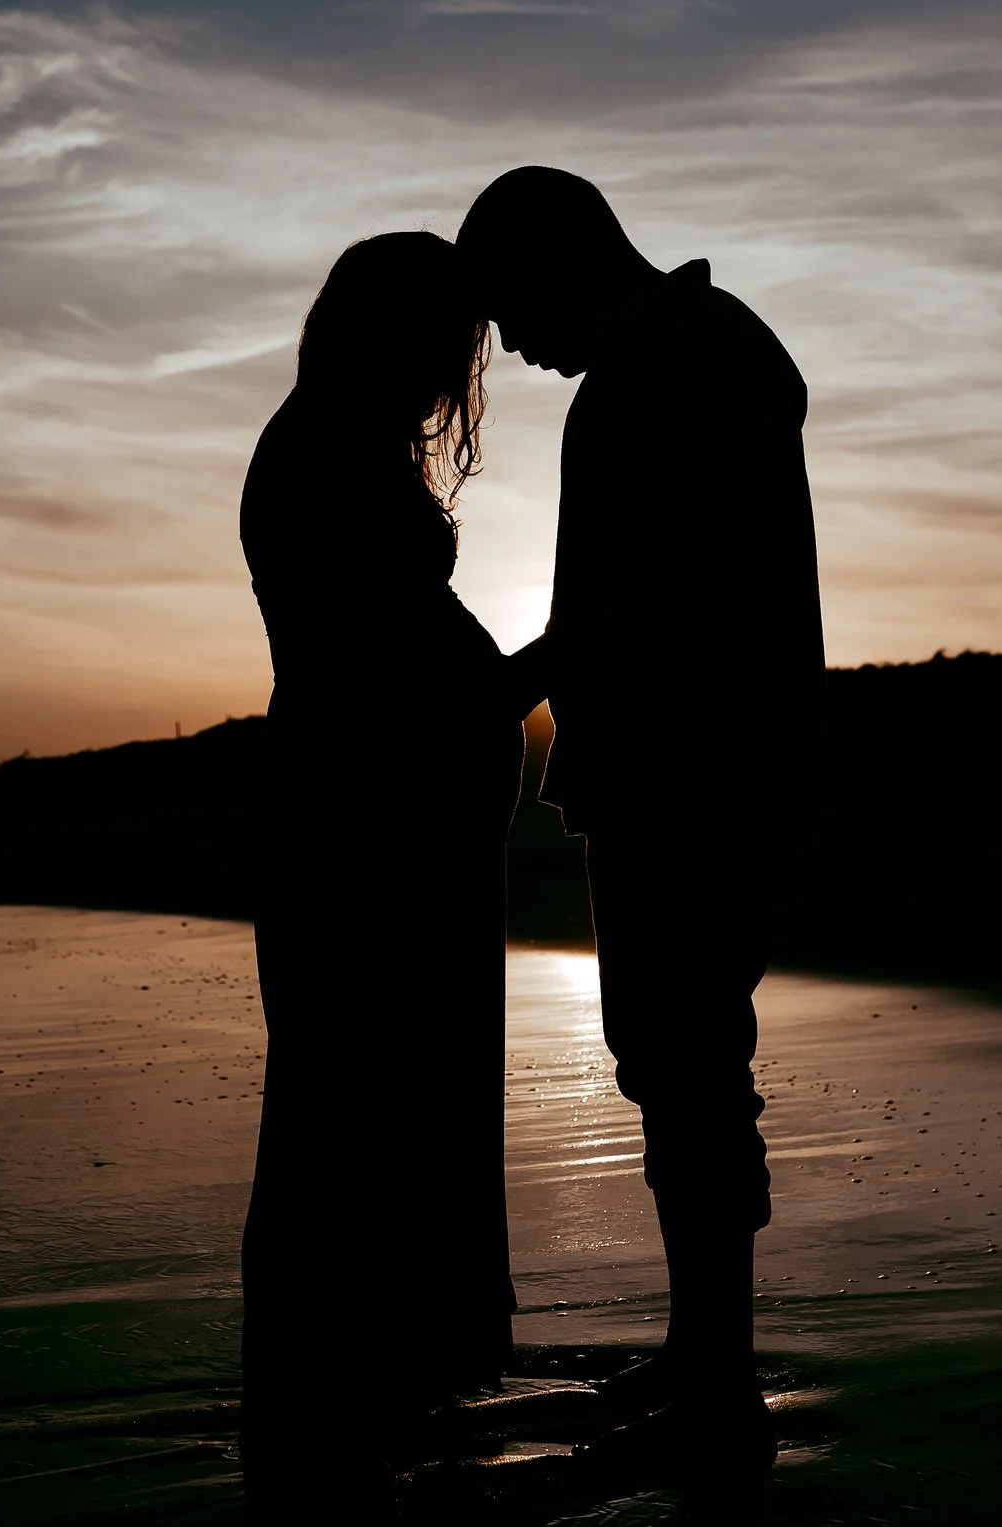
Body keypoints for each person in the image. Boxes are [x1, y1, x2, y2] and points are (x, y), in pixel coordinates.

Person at [458, 167, 828, 1461]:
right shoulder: (675, 359)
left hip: (700, 767)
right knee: (671, 1054)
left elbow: (659, 592)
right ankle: (702, 1346)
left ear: (562, 266)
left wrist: (500, 686)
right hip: (675, 762)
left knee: (688, 1054)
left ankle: (717, 1366)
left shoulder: (689, 360)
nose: (510, 345)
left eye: (512, 309)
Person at [238, 232, 539, 1459]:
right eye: (442, 347)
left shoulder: (331, 445)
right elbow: (387, 677)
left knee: (370, 1102)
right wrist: (569, 647)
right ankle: (341, 1398)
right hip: (369, 829)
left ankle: (364, 1391)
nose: (451, 377)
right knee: (360, 1102)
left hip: (390, 819)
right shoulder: (323, 457)